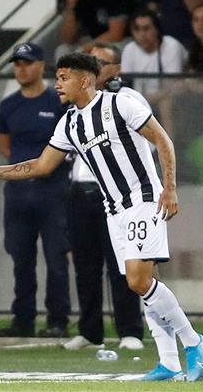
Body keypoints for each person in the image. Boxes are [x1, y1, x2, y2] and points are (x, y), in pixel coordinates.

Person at [0, 52, 203, 382]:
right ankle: (169, 364)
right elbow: (41, 165)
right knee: (145, 284)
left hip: (143, 199)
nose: (58, 84)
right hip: (113, 209)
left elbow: (162, 139)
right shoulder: (70, 122)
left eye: (64, 78)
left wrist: (170, 188)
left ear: (85, 80)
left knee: (137, 281)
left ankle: (193, 341)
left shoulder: (120, 104)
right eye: (57, 78)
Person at [63, 43, 144, 351]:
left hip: (114, 192)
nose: (93, 66)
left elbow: (147, 143)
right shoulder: (78, 103)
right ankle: (90, 330)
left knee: (120, 262)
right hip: (80, 191)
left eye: (100, 61)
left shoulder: (127, 99)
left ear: (116, 69)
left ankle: (130, 331)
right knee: (85, 264)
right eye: (90, 60)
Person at [0, 42, 71, 338]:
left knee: (56, 259)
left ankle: (58, 320)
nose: (21, 69)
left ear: (41, 66)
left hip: (53, 192)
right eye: (17, 64)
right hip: (18, 194)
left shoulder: (57, 102)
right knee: (21, 258)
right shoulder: (8, 105)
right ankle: (23, 319)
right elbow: (6, 147)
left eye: (27, 63)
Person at [121, 8, 188, 96]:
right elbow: (126, 84)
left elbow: (173, 86)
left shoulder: (171, 46)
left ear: (157, 29)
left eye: (146, 29)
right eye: (136, 29)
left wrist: (148, 99)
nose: (142, 34)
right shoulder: (129, 49)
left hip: (172, 98)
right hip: (139, 99)